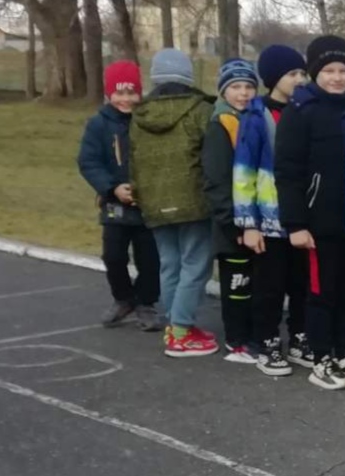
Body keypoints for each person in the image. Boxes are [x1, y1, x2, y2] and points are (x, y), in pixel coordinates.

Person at [275, 35, 345, 391]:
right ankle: (321, 356)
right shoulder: (300, 112)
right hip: (318, 223)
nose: (336, 77)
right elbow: (287, 172)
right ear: (315, 72)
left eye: (343, 70)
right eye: (328, 70)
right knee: (322, 292)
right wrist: (296, 223)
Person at [130, 48, 218, 358]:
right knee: (195, 264)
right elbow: (212, 157)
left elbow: (135, 161)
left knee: (170, 264)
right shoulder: (201, 111)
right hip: (193, 200)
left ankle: (175, 323)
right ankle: (180, 331)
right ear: (188, 75)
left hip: (154, 202)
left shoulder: (139, 116)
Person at [233, 45, 313, 376]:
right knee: (270, 284)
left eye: (301, 74)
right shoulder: (257, 117)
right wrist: (248, 223)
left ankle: (299, 337)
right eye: (291, 74)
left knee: (302, 283)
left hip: (302, 217)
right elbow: (243, 172)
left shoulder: (308, 110)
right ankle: (266, 341)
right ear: (273, 79)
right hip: (268, 221)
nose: (298, 80)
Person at [77, 60, 162, 331]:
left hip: (148, 204)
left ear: (140, 92)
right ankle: (123, 298)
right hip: (114, 203)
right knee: (113, 256)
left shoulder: (149, 120)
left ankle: (146, 302)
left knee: (150, 259)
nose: (126, 99)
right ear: (109, 94)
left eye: (131, 93)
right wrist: (112, 188)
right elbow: (88, 161)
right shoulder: (98, 124)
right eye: (120, 93)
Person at [203, 58, 259, 364]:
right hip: (232, 226)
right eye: (236, 87)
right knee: (237, 286)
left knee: (255, 284)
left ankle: (253, 335)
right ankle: (236, 341)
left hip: (257, 222)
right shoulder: (220, 125)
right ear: (224, 91)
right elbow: (216, 181)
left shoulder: (256, 120)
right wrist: (234, 224)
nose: (243, 93)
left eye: (249, 86)